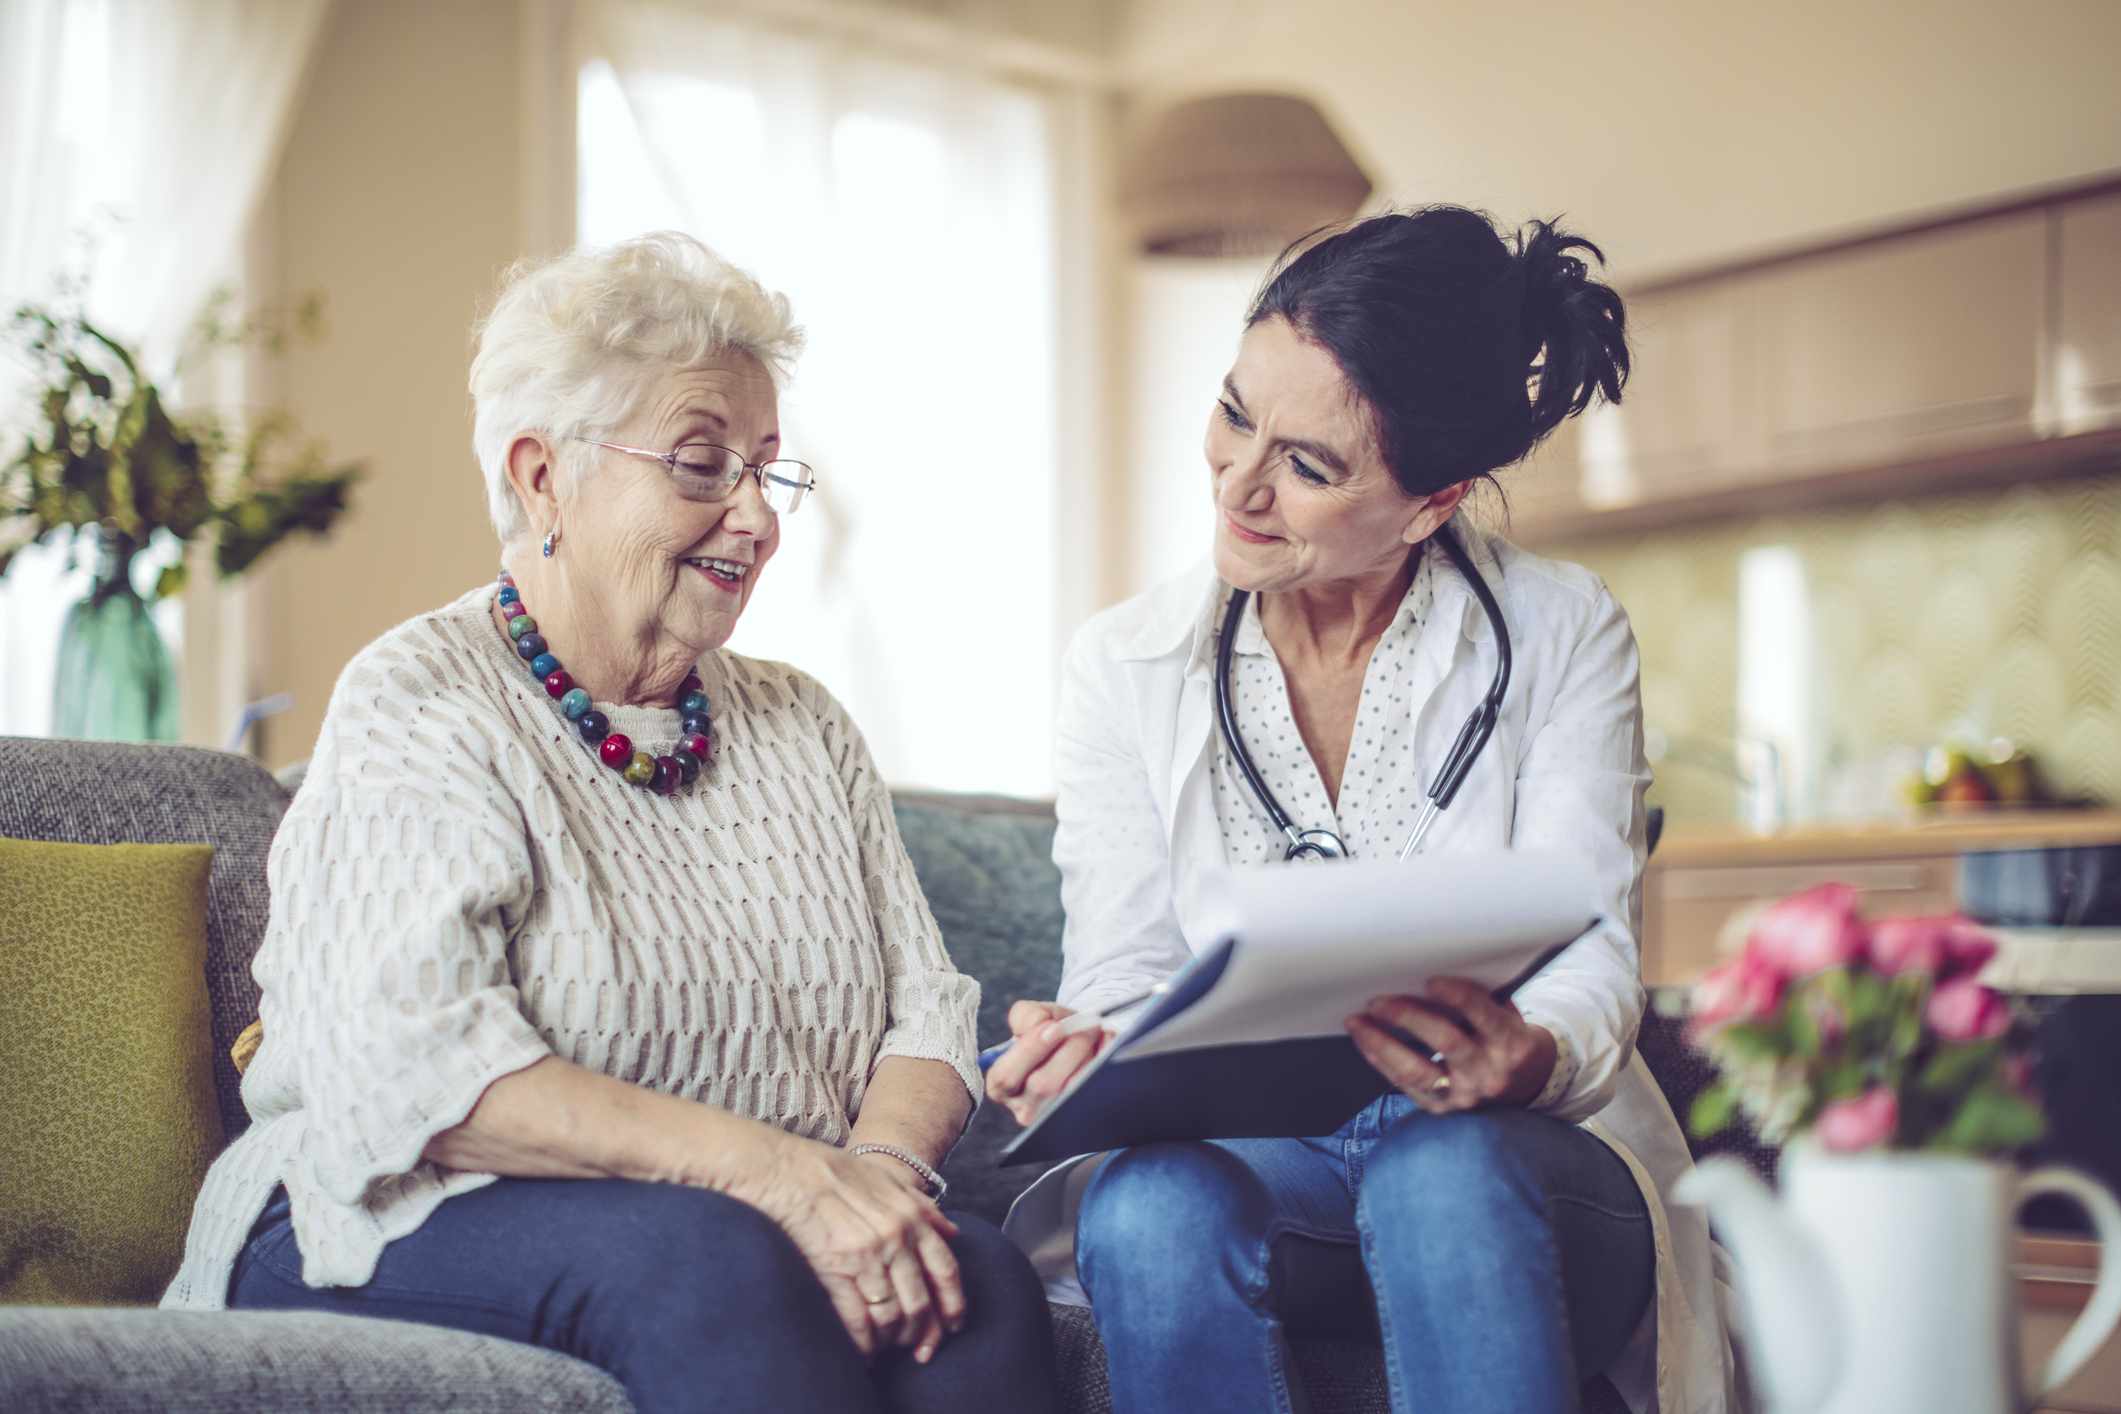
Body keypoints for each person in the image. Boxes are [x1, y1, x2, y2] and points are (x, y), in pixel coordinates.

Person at [163, 232, 1058, 1414]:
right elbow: (417, 1064)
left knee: (973, 1279)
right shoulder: (422, 699)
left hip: (725, 1218)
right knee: (717, 1264)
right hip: (390, 1204)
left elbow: (928, 1014)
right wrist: (786, 1179)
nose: (757, 520)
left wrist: (876, 1186)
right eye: (701, 466)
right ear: (544, 478)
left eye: (768, 470)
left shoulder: (803, 724)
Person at [987, 207, 1737, 1413]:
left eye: (1310, 465)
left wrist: (1526, 1052)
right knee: (1146, 1203)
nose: (1239, 484)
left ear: (1431, 503)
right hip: (1285, 1166)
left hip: (1522, 1159)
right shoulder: (1123, 664)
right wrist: (1085, 1060)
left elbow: (1590, 952)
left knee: (1434, 1173)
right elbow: (1124, 969)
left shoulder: (1562, 630)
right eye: (1235, 413)